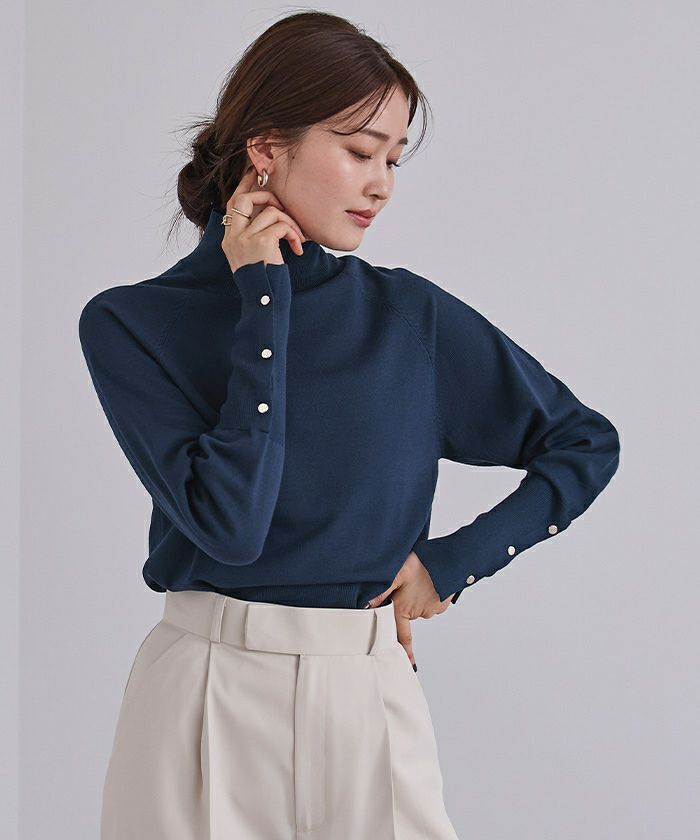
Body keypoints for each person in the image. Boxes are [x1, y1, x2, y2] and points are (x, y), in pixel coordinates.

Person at [78, 10, 621, 839]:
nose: (382, 185)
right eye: (361, 151)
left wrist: (453, 562)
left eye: (393, 160)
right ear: (267, 147)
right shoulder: (132, 325)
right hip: (203, 698)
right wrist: (263, 300)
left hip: (367, 694)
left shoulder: (406, 317)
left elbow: (583, 442)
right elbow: (231, 527)